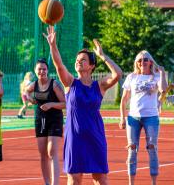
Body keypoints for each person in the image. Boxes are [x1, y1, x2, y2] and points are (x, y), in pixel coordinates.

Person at [44, 26, 122, 185]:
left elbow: (118, 74)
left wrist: (102, 56)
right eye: (77, 60)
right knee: (74, 178)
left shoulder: (99, 86)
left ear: (92, 65)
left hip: (95, 135)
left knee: (100, 178)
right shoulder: (70, 83)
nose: (78, 61)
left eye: (83, 60)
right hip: (75, 137)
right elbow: (59, 65)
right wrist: (53, 46)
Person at [119, 50, 167, 185]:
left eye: (145, 59)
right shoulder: (132, 77)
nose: (142, 62)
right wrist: (122, 118)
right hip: (133, 118)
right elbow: (124, 99)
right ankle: (131, 183)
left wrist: (162, 73)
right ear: (136, 62)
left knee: (152, 148)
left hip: (151, 117)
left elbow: (163, 90)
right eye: (139, 60)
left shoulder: (157, 76)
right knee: (132, 149)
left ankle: (154, 182)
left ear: (151, 62)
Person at [25, 58, 65, 185]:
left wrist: (51, 104)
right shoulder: (33, 85)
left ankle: (55, 183)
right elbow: (25, 91)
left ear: (47, 70)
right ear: (35, 71)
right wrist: (30, 99)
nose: (41, 71)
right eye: (39, 69)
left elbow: (65, 103)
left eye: (44, 69)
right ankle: (47, 183)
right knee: (43, 154)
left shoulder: (54, 84)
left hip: (54, 119)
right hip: (40, 119)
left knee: (51, 151)